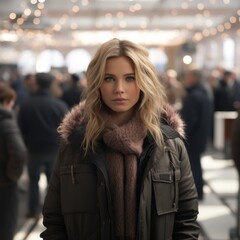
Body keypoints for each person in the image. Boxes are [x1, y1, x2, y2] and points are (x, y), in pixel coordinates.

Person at [40, 38, 199, 240]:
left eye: (130, 78)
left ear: (144, 81)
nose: (119, 89)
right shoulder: (75, 145)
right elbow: (54, 221)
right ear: (97, 83)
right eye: (109, 79)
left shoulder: (169, 145)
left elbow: (186, 220)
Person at [18, 72, 69, 218]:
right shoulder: (59, 105)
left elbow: (21, 128)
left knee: (33, 181)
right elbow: (66, 129)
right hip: (54, 149)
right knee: (53, 183)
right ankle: (51, 212)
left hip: (34, 149)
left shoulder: (26, 104)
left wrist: (27, 143)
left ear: (37, 83)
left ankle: (33, 210)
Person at [0, 82, 27, 240]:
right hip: (4, 185)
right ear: (5, 101)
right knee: (5, 227)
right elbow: (19, 152)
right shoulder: (6, 122)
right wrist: (12, 176)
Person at [180, 69, 212, 200]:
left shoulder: (195, 95)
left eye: (188, 76)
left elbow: (189, 120)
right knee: (196, 164)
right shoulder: (203, 93)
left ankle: (196, 193)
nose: (186, 79)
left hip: (192, 138)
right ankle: (199, 192)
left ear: (194, 78)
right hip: (200, 137)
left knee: (193, 166)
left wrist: (182, 135)